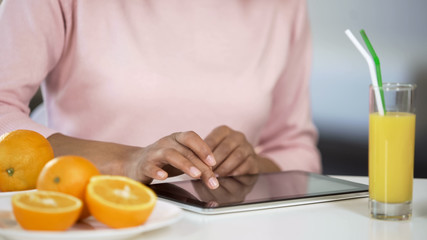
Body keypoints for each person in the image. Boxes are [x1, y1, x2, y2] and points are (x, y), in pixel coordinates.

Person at [0, 0, 321, 190]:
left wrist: (253, 165)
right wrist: (123, 161)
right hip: (88, 220)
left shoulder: (282, 6)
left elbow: (297, 150)